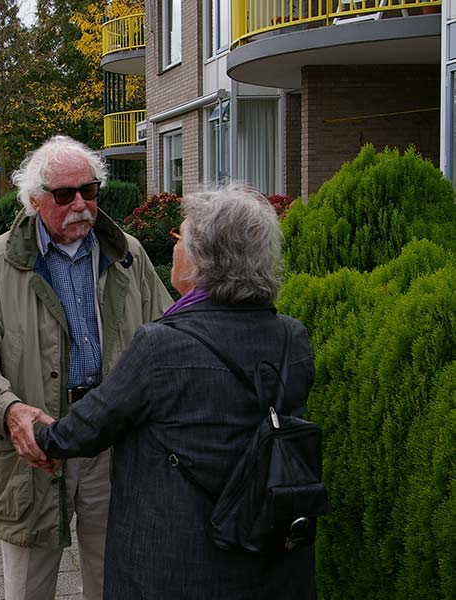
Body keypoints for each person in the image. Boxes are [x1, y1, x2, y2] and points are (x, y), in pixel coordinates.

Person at [21, 185, 317, 599]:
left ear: (200, 260)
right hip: (268, 551)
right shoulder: (293, 338)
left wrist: (39, 437)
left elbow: (92, 425)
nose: (173, 250)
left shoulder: (162, 345)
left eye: (179, 239)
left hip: (177, 559)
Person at [0, 135, 173, 600]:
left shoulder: (126, 254)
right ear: (33, 201)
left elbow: (166, 341)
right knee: (28, 587)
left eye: (88, 191)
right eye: (64, 195)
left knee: (117, 583)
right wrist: (9, 411)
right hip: (36, 450)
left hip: (113, 445)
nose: (80, 205)